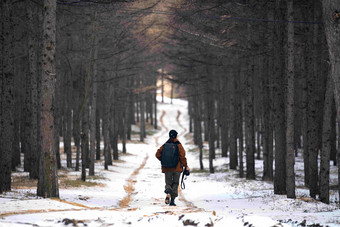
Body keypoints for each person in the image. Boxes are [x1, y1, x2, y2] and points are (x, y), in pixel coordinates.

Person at [156, 129, 190, 206]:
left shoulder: (165, 145)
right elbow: (182, 156)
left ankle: (168, 192)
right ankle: (172, 201)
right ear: (176, 135)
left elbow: (157, 154)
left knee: (168, 183)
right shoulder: (178, 145)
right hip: (177, 168)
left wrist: (164, 160)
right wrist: (186, 166)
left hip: (167, 168)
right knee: (175, 183)